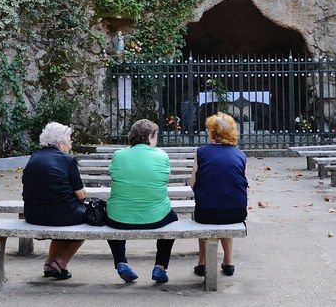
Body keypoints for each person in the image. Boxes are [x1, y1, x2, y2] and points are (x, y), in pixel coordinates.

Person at [106, 119, 177, 284]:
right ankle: (160, 266)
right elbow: (163, 179)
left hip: (120, 219)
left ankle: (121, 262)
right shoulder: (161, 155)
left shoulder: (118, 155)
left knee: (110, 214)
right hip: (156, 218)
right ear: (150, 136)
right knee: (173, 219)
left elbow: (113, 175)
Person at [21, 121, 87, 280]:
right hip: (61, 215)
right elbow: (81, 195)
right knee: (86, 223)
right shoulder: (67, 159)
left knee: (64, 217)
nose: (70, 143)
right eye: (69, 139)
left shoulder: (34, 157)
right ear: (60, 142)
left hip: (32, 215)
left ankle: (49, 263)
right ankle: (61, 263)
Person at [190, 112, 248, 277]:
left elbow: (193, 181)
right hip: (236, 212)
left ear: (213, 133)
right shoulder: (241, 154)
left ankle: (202, 262)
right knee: (225, 207)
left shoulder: (201, 152)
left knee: (206, 213)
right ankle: (228, 261)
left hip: (206, 212)